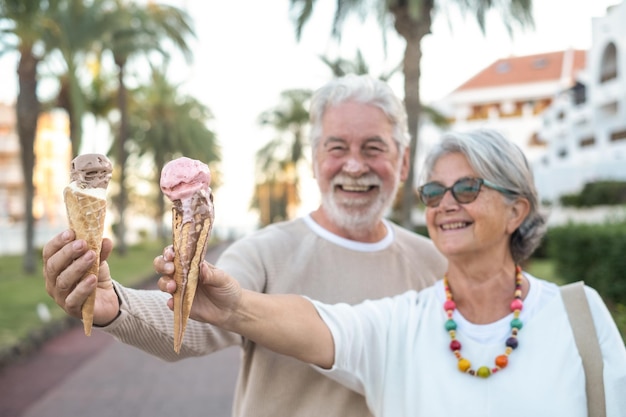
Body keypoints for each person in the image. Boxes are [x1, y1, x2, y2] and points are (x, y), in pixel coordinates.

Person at [43, 74, 447, 417]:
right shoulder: (266, 251)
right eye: (337, 147)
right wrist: (116, 304)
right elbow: (196, 319)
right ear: (313, 160)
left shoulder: (437, 262)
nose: (354, 165)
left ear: (404, 161)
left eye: (373, 148)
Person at [157, 129, 626, 416]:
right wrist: (235, 306)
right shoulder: (402, 323)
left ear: (516, 210)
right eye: (433, 191)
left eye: (466, 187)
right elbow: (320, 325)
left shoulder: (579, 316)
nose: (446, 204)